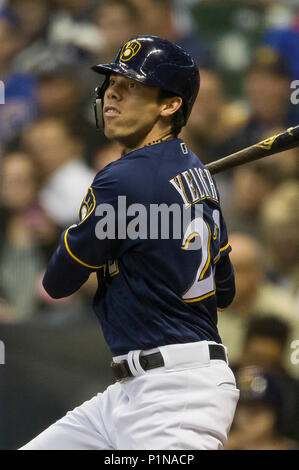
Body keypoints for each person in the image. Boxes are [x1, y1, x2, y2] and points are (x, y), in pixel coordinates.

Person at [20, 35, 238, 450]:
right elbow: (223, 292)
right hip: (132, 392)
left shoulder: (123, 179)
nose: (113, 94)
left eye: (133, 86)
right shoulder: (199, 180)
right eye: (113, 83)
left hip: (176, 398)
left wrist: (86, 220)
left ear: (170, 104)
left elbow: (57, 283)